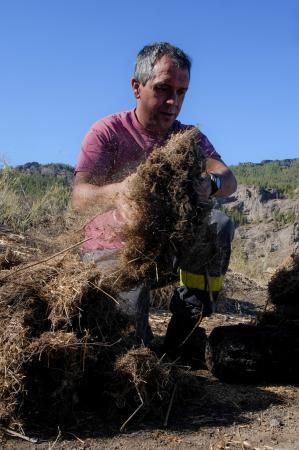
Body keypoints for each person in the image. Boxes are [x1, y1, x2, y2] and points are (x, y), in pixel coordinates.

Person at [72, 42, 237, 359]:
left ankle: (185, 330)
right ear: (137, 87)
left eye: (182, 91)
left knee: (218, 223)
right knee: (131, 350)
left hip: (169, 244)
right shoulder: (107, 132)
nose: (173, 102)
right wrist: (121, 191)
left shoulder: (187, 138)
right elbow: (80, 198)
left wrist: (211, 183)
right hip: (118, 242)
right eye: (163, 89)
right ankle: (139, 338)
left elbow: (228, 178)